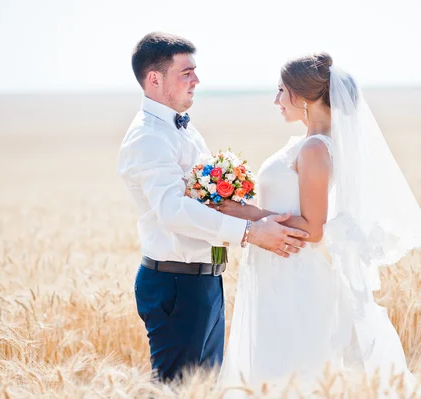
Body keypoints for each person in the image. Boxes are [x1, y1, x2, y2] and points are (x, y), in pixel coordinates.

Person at [217, 52, 421, 397]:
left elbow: (314, 228)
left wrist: (243, 212)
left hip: (295, 272)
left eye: (281, 91)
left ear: (302, 96)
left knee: (291, 368)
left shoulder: (316, 149)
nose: (276, 100)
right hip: (277, 264)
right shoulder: (306, 144)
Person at [117, 32, 309, 382]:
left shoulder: (184, 131)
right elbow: (173, 210)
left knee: (206, 388)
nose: (197, 80)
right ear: (155, 79)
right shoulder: (148, 137)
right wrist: (251, 233)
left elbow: (212, 202)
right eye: (186, 72)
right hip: (174, 283)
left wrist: (260, 216)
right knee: (176, 388)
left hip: (204, 282)